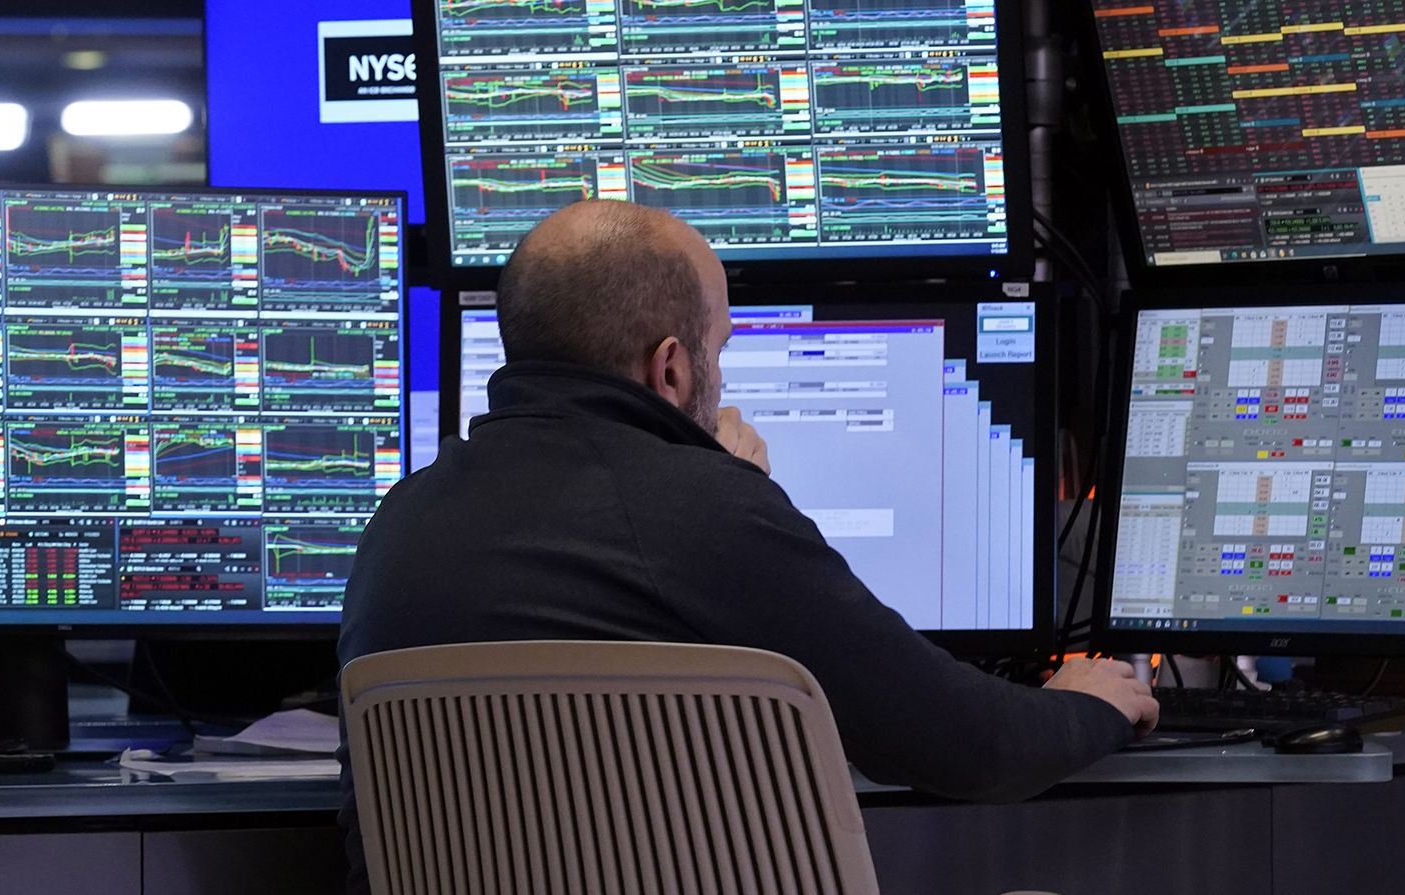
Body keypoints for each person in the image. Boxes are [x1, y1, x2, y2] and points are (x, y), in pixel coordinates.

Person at [336, 200, 1157, 889]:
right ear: (670, 369)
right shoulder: (699, 508)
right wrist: (1090, 701)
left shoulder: (399, 521)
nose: (718, 373)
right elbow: (974, 746)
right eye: (719, 347)